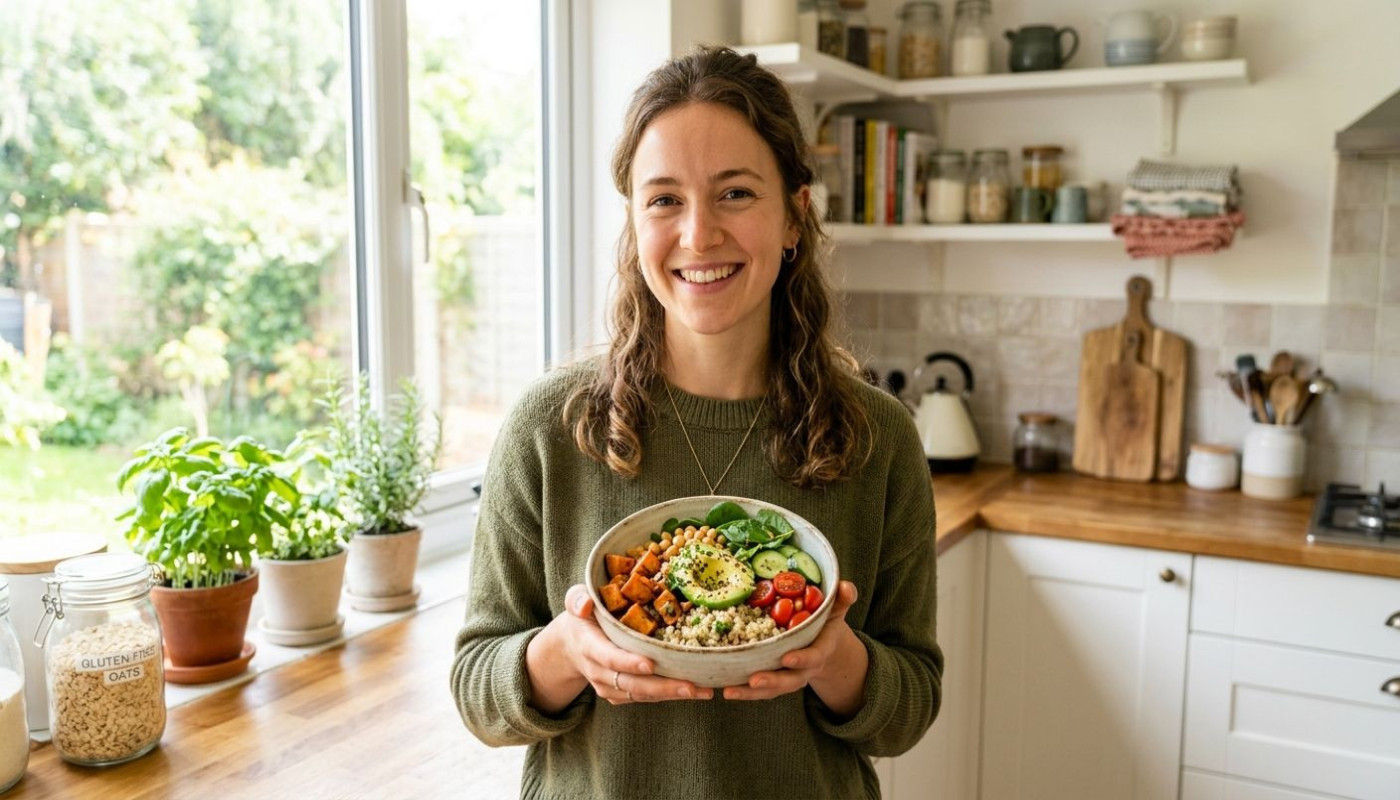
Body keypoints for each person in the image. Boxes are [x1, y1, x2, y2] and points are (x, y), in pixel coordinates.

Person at [451, 45, 941, 799]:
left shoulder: (878, 436)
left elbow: (909, 709)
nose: (698, 234)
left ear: (793, 215)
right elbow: (477, 690)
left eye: (736, 193)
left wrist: (834, 658)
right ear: (634, 221)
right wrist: (566, 653)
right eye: (664, 199)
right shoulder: (550, 427)